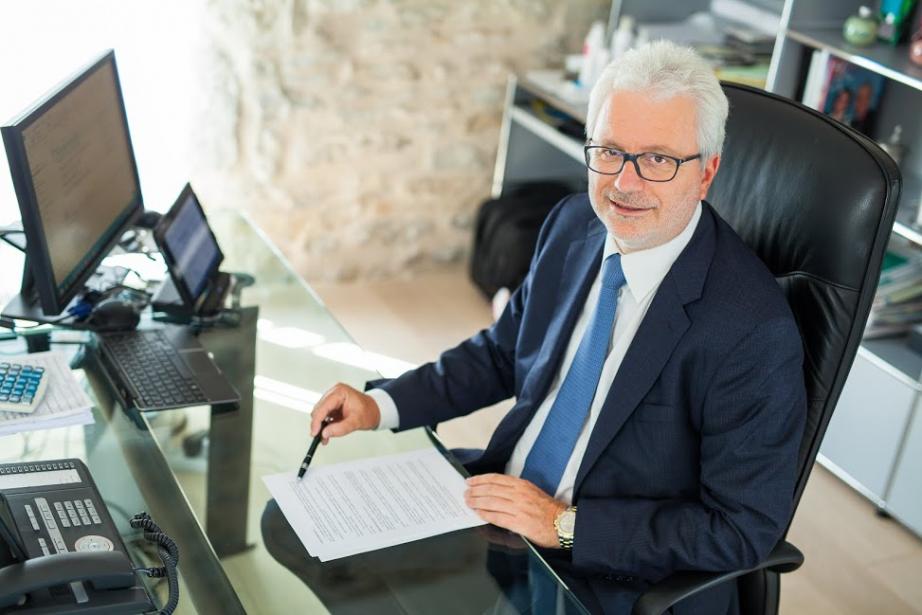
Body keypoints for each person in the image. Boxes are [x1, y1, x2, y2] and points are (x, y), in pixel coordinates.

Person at [310, 40, 806, 615]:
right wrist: (382, 405)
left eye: (658, 160)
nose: (626, 182)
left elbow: (739, 530)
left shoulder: (751, 329)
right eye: (612, 151)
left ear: (706, 173)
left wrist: (563, 526)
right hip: (498, 505)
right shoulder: (573, 224)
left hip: (600, 571)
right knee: (297, 530)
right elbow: (501, 353)